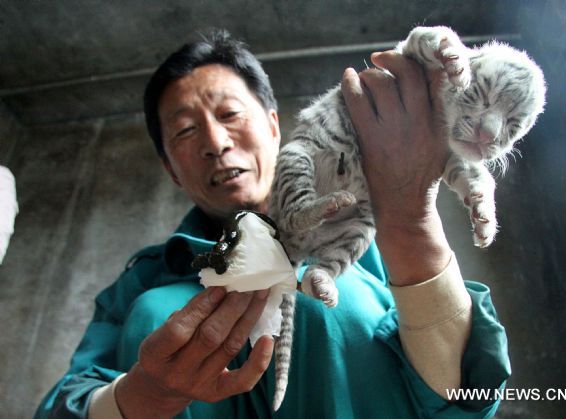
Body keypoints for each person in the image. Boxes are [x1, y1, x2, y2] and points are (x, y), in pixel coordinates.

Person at [35, 30, 510, 418]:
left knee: (326, 292)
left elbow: (466, 396)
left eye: (230, 114)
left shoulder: (370, 236)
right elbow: (62, 406)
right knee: (154, 312)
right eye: (184, 130)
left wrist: (409, 215)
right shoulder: (143, 280)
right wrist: (142, 397)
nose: (216, 142)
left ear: (274, 125)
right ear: (170, 169)